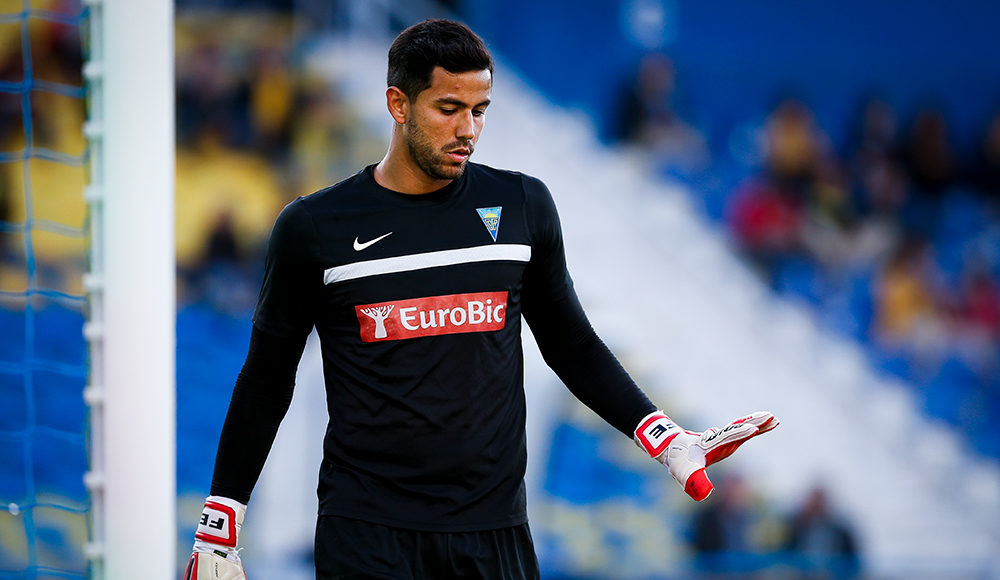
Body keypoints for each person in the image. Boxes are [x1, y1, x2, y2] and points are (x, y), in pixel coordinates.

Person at [183, 19, 779, 580]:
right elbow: (267, 378)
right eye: (448, 109)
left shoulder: (521, 207)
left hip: (495, 534)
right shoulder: (315, 227)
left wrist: (665, 438)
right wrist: (220, 525)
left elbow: (570, 344)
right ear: (398, 104)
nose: (467, 129)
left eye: (479, 110)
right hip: (368, 536)